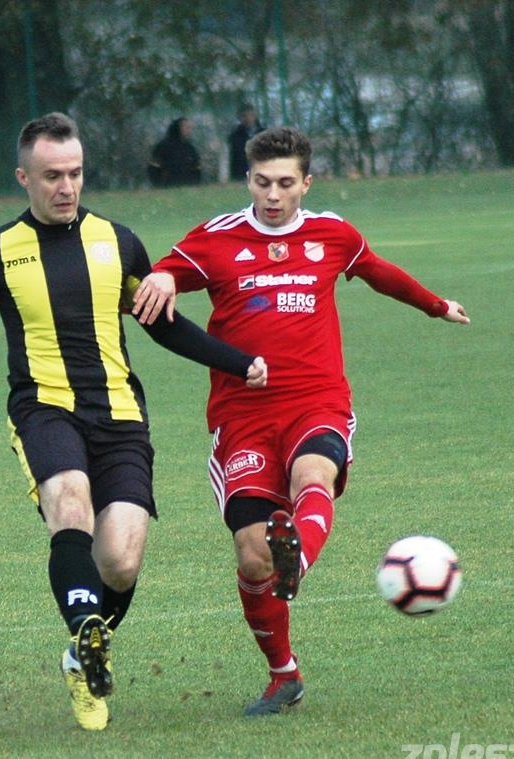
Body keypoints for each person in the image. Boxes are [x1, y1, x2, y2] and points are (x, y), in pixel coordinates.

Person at [0, 112, 266, 732]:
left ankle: (82, 653)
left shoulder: (118, 242)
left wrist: (240, 362)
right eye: (52, 176)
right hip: (43, 409)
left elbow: (162, 325)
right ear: (24, 178)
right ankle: (85, 624)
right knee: (70, 502)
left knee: (121, 561)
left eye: (75, 173)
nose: (66, 186)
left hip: (120, 413)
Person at [131, 126, 469, 716]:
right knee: (251, 555)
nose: (273, 195)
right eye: (262, 182)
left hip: (317, 400)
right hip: (241, 416)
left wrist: (436, 305)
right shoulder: (216, 237)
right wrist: (160, 274)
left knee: (313, 476)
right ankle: (283, 674)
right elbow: (168, 274)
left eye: (286, 183)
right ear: (248, 180)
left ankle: (299, 560)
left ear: (306, 183)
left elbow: (378, 271)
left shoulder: (333, 234)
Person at [147, 117, 202, 187]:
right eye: (187, 128)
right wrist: (159, 186)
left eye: (190, 128)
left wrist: (194, 185)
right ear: (178, 128)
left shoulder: (190, 148)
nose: (189, 131)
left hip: (187, 189)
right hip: (167, 188)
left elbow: (196, 169)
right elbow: (153, 169)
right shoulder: (163, 146)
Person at [227, 103, 264, 180]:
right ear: (240, 118)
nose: (248, 119)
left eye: (250, 115)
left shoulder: (264, 134)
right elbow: (233, 157)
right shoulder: (235, 136)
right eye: (244, 116)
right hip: (241, 175)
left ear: (255, 116)